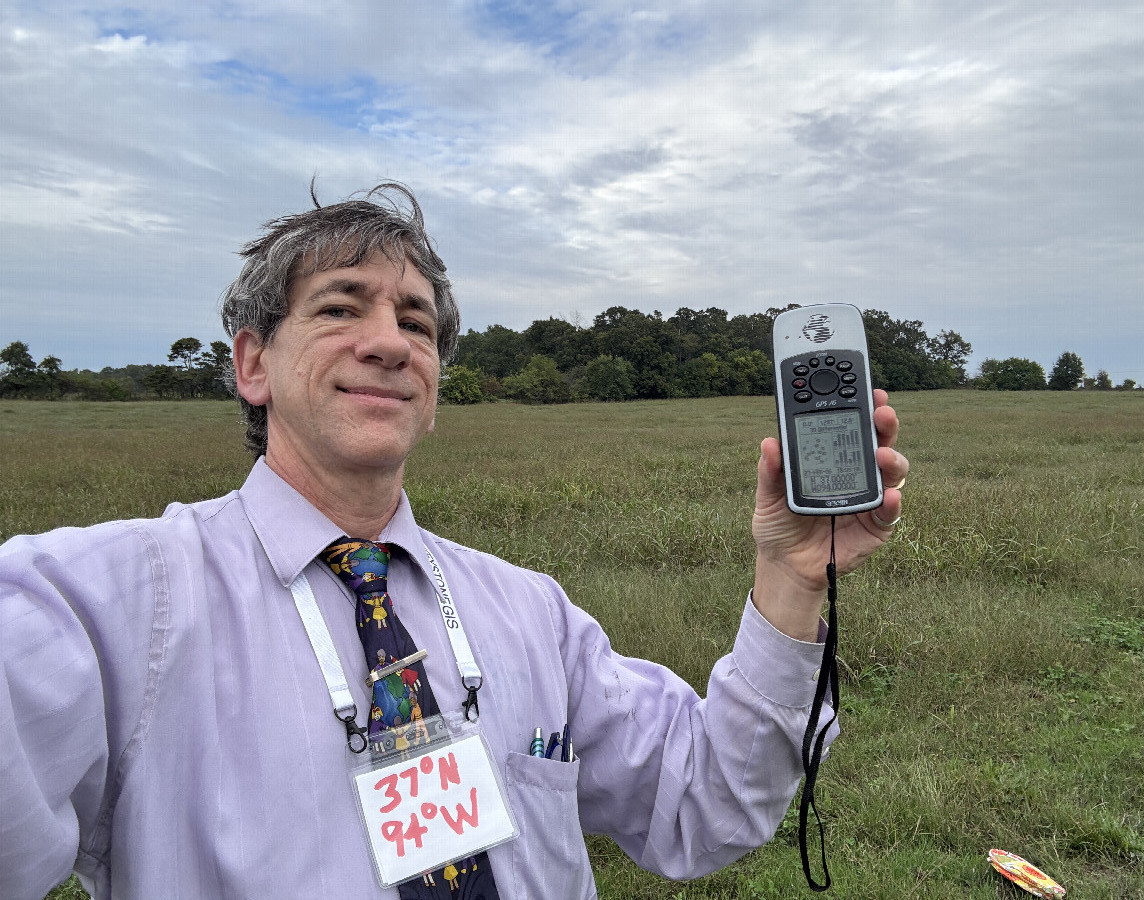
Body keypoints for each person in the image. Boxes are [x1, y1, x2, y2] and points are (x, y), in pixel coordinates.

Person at [0, 183, 909, 900]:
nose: (389, 344)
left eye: (417, 323)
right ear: (251, 365)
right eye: (339, 309)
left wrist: (791, 578)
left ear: (434, 387)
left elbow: (707, 801)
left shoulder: (529, 613)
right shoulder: (109, 607)